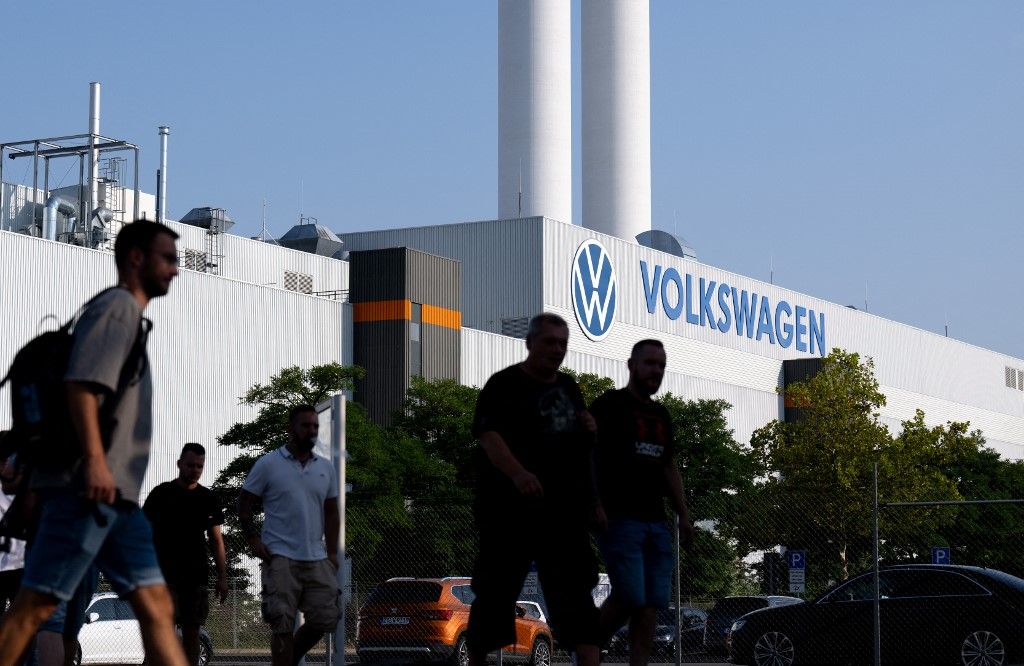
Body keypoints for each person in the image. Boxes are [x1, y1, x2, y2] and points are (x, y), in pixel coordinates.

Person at [0, 220, 186, 666]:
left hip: (115, 501)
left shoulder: (124, 314)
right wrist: (97, 463)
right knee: (34, 609)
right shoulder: (117, 308)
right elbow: (81, 386)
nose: (176, 270)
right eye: (168, 258)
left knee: (157, 608)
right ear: (136, 258)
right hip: (86, 491)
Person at [466, 312, 602, 666]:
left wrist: (593, 502)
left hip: (562, 515)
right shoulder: (503, 385)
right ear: (530, 343)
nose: (557, 349)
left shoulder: (569, 389)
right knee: (493, 598)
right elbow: (488, 436)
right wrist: (518, 473)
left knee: (579, 608)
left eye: (563, 343)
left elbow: (581, 450)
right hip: (509, 514)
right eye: (549, 342)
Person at [589, 339, 695, 666]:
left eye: (661, 365)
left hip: (656, 522)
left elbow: (668, 465)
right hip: (620, 519)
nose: (655, 371)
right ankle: (587, 642)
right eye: (649, 363)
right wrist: (593, 504)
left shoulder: (660, 414)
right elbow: (585, 455)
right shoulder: (609, 405)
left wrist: (684, 515)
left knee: (649, 606)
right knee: (630, 596)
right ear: (631, 364)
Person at [238, 405, 340, 666]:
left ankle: (286, 661)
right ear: (290, 428)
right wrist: (253, 539)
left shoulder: (325, 468)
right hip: (279, 556)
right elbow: (244, 503)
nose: (312, 431)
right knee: (282, 624)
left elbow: (331, 512)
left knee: (326, 618)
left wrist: (331, 552)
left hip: (316, 557)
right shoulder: (269, 464)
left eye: (315, 426)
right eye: (306, 425)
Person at [144, 443, 228, 666]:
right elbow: (143, 533)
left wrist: (222, 576)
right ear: (180, 464)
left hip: (195, 577)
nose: (195, 470)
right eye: (190, 465)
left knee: (192, 634)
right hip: (163, 577)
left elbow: (216, 539)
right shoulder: (162, 494)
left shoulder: (207, 498)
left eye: (199, 466)